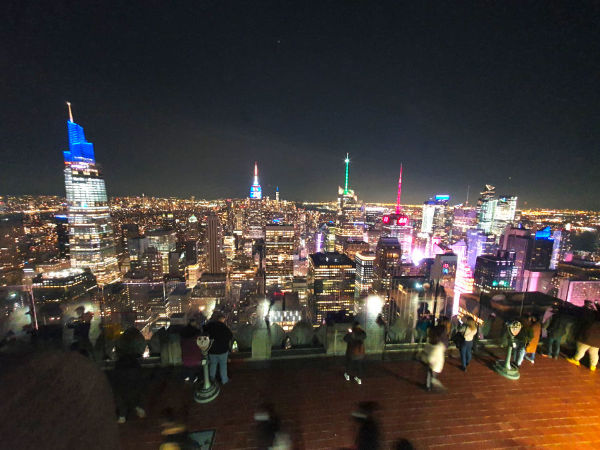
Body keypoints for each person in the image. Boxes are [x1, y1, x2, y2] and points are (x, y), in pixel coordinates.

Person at [567, 302, 600, 371]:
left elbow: (584, 318)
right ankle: (593, 366)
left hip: (586, 339)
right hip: (597, 342)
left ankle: (575, 360)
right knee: (594, 354)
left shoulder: (591, 319)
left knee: (581, 350)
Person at [203, 312, 233, 385]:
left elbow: (203, 329)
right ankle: (224, 380)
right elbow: (230, 336)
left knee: (213, 365)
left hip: (212, 350)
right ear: (222, 319)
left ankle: (211, 380)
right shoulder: (224, 327)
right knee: (223, 365)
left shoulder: (210, 325)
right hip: (223, 350)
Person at [180, 318, 203, 383]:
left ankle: (186, 378)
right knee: (194, 367)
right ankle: (193, 379)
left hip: (185, 353)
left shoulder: (183, 331)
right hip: (195, 353)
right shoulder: (197, 331)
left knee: (187, 366)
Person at [423, 326, 446, 391]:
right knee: (433, 375)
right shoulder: (440, 345)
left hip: (431, 364)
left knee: (429, 375)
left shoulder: (429, 345)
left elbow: (427, 353)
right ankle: (431, 383)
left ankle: (429, 386)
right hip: (438, 365)